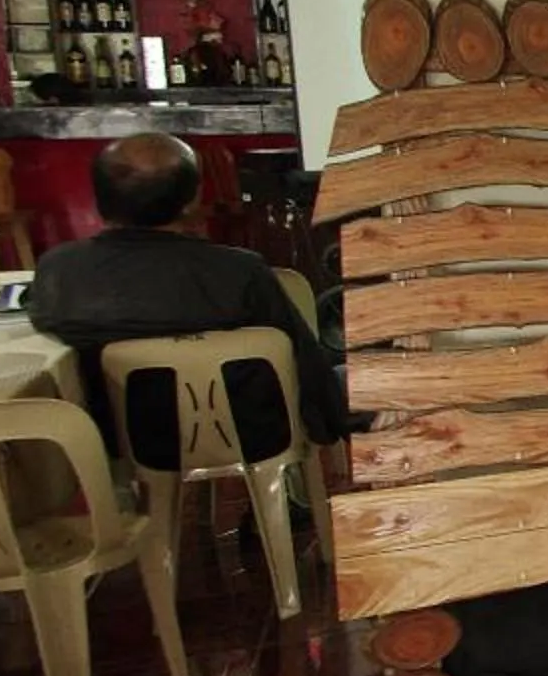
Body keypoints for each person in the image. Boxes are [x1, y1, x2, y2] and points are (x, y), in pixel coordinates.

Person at [31, 133, 354, 455]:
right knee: (343, 378)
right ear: (191, 201)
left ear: (100, 198)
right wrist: (331, 424)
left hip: (117, 443)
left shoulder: (59, 269)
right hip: (248, 438)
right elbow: (305, 361)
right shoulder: (239, 271)